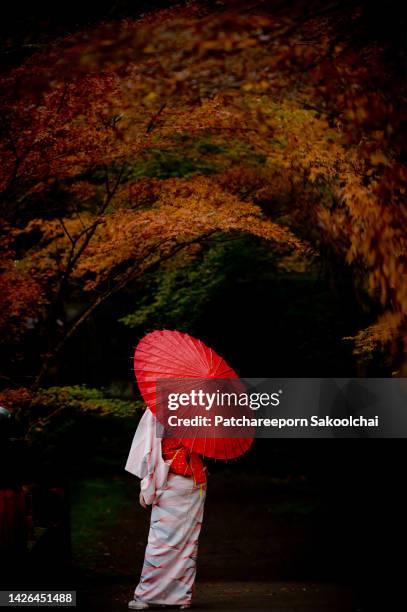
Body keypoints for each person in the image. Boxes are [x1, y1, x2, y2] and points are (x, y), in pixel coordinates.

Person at [125, 408, 207, 610]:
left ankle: (146, 596)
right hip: (195, 478)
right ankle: (181, 597)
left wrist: (147, 483)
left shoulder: (159, 406)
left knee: (161, 540)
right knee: (187, 541)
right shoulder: (203, 407)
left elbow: (149, 450)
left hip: (171, 476)